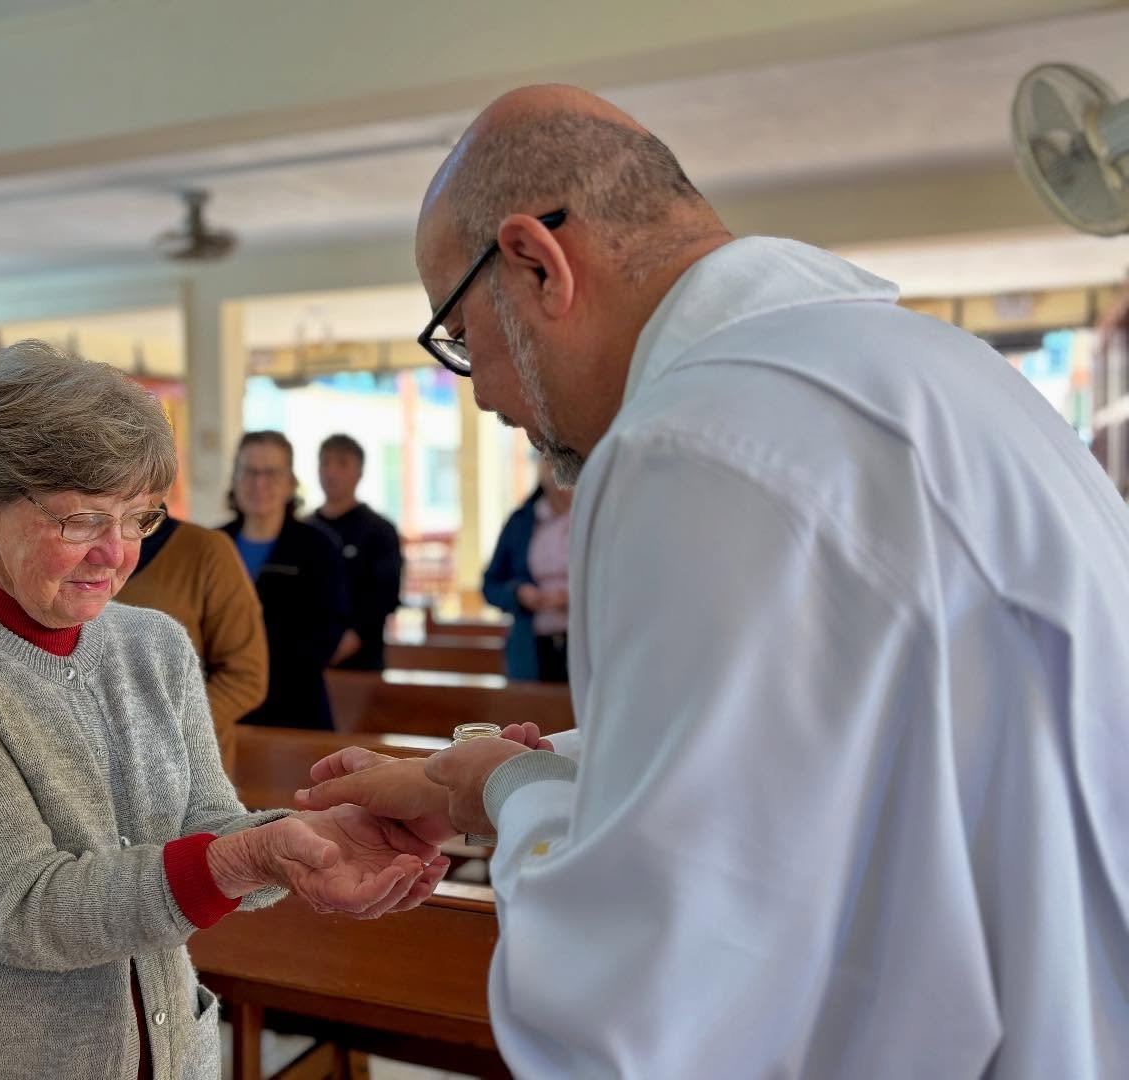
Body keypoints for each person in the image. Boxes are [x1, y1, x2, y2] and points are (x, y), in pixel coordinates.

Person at [297, 85, 1129, 1076]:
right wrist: (461, 783)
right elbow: (835, 735)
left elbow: (653, 990)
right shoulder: (925, 369)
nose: (476, 392)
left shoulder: (697, 443)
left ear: (534, 262)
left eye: (462, 338)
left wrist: (516, 790)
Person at [0, 344, 447, 1080]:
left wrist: (306, 839)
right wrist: (242, 859)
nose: (114, 555)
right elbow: (22, 905)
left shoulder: (155, 645)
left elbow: (202, 824)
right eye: (81, 520)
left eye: (139, 519)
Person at [115, 510, 269, 771]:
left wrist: (160, 731)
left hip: (185, 770)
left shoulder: (207, 551)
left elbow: (246, 677)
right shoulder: (76, 546)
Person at [221, 431, 350, 730]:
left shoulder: (318, 546)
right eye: (250, 472)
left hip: (295, 708)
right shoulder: (214, 543)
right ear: (236, 478)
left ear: (290, 483)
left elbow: (329, 630)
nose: (259, 483)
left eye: (271, 473)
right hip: (225, 709)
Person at [312, 433, 403, 671]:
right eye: (325, 462)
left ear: (359, 473)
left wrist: (349, 641)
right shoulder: (303, 530)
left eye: (342, 463)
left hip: (362, 663)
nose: (331, 471)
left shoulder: (379, 531)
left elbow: (384, 596)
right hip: (307, 660)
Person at [481, 456, 572, 681]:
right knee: (534, 710)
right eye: (549, 462)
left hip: (584, 639)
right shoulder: (521, 521)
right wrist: (519, 593)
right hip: (532, 645)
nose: (554, 472)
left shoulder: (597, 516)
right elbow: (490, 585)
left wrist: (573, 596)